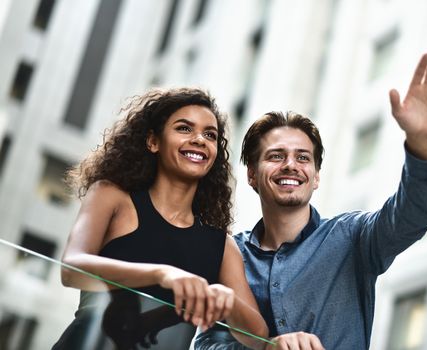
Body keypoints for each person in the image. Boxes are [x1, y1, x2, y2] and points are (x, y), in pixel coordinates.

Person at [195, 52, 427, 349]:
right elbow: (205, 345)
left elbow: (412, 216)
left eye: (302, 158)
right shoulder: (229, 256)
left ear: (316, 177)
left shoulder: (353, 237)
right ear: (252, 175)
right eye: (276, 156)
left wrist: (420, 143)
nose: (290, 165)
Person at [53, 88, 269, 349]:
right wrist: (161, 274)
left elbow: (258, 336)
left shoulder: (221, 245)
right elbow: (72, 268)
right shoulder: (112, 195)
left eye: (210, 135)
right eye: (184, 128)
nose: (199, 139)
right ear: (153, 141)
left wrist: (228, 300)